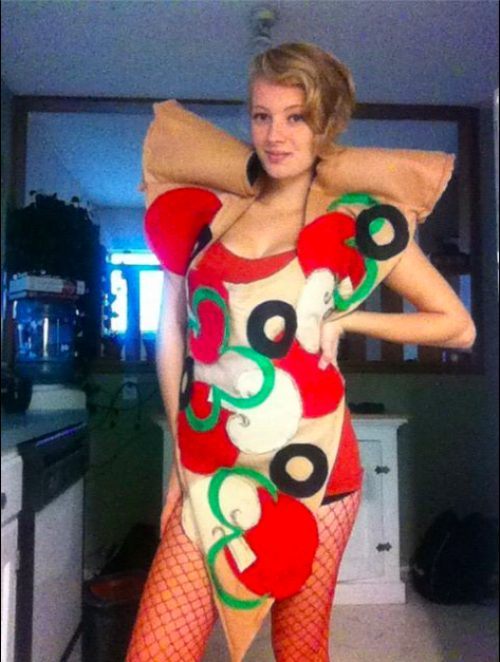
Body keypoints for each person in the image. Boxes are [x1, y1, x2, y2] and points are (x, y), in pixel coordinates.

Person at [127, 42, 475, 662]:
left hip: (317, 471)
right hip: (211, 461)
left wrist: (347, 316)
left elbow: (457, 326)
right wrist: (180, 455)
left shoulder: (351, 222)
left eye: (296, 117)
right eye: (262, 115)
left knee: (300, 647)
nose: (275, 135)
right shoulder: (213, 208)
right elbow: (172, 333)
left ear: (326, 123)